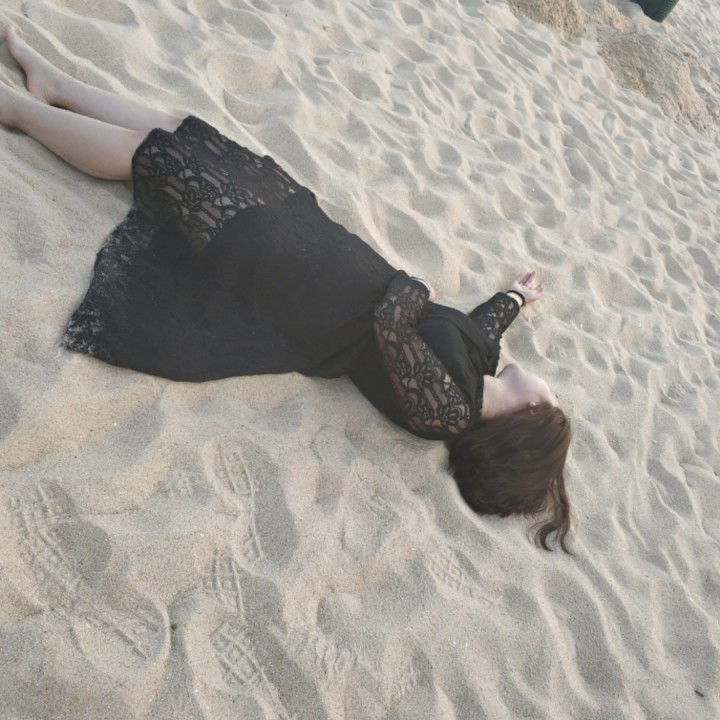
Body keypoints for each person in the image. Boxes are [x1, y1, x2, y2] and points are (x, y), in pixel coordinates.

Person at [0, 26, 572, 552]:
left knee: (158, 160)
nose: (551, 390)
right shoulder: (480, 368)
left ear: (530, 412)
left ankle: (20, 112)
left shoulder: (448, 413)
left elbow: (391, 324)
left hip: (293, 286)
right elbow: (480, 328)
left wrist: (418, 287)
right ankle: (56, 85)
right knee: (189, 133)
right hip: (320, 246)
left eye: (552, 402)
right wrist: (516, 299)